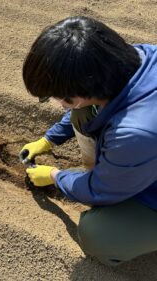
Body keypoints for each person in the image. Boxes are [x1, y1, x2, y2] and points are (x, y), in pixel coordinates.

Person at [20, 16, 157, 266]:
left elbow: (100, 191)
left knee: (98, 235)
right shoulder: (131, 59)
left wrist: (54, 176)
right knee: (85, 113)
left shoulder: (133, 134)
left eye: (58, 97)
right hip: (144, 153)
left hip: (144, 162)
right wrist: (48, 140)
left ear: (80, 92)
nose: (58, 103)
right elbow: (83, 107)